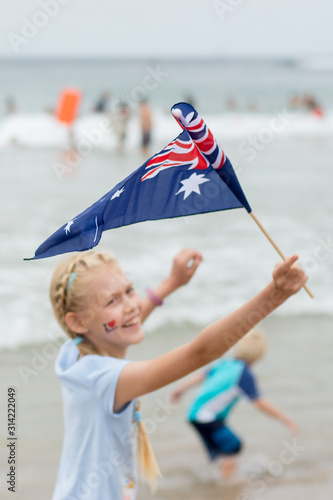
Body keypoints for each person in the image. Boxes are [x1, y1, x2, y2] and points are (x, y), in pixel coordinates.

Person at [49, 248, 307, 500]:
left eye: (129, 290)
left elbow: (126, 322)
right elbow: (200, 352)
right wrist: (275, 294)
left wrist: (171, 283)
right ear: (77, 322)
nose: (131, 306)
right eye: (112, 300)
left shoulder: (74, 355)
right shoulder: (104, 378)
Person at [170, 329, 298, 479]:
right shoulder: (244, 373)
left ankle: (214, 484)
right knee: (233, 445)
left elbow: (200, 376)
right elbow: (259, 402)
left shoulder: (225, 363)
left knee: (219, 454)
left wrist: (179, 389)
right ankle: (227, 486)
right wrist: (285, 419)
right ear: (259, 354)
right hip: (207, 417)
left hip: (194, 414)